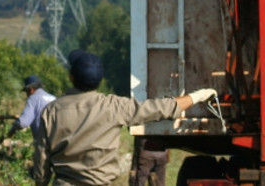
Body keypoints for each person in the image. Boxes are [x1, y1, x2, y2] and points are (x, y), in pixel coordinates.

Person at [33, 50, 216, 186]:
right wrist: (196, 97)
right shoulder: (113, 106)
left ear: (71, 77)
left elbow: (42, 161)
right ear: (100, 79)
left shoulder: (51, 111)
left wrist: (41, 182)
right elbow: (159, 108)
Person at [6, 75, 56, 143]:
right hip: (59, 140)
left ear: (30, 89)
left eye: (26, 92)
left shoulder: (33, 98)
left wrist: (12, 129)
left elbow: (23, 123)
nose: (26, 95)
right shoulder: (54, 98)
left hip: (45, 142)